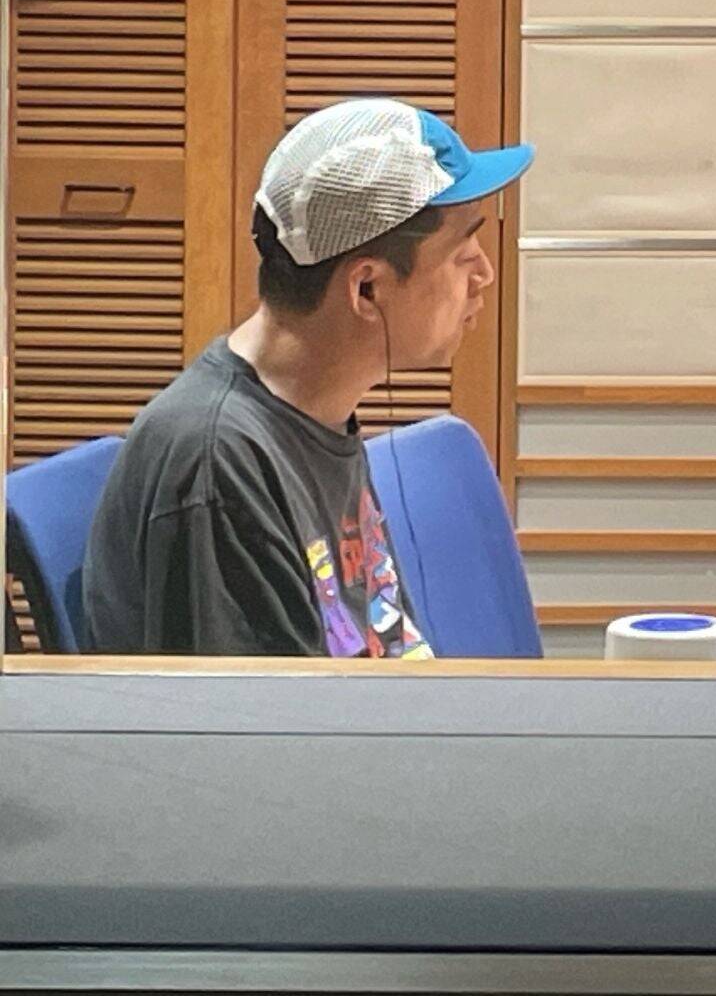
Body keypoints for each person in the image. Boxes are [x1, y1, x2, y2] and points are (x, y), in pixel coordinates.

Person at [83, 99, 533, 657]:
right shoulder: (218, 464)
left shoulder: (315, 408)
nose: (484, 272)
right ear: (366, 288)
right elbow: (259, 712)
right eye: (462, 250)